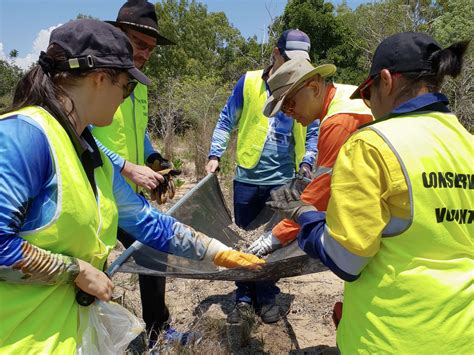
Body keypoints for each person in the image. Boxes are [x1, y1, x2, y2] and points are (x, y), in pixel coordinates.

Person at [0, 19, 263, 354]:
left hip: (65, 335)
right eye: (125, 86)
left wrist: (216, 251)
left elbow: (147, 221)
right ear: (99, 79)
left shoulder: (88, 150)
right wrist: (73, 270)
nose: (126, 97)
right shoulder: (23, 138)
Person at [266, 32, 472, 353]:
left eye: (368, 92)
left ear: (386, 81)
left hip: (389, 337)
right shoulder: (467, 145)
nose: (368, 104)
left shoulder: (372, 144)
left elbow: (345, 259)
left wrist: (303, 215)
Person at [206, 29, 318, 324]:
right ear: (276, 53)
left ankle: (267, 293)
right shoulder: (250, 82)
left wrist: (307, 163)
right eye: (289, 59)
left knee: (273, 240)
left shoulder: (304, 85)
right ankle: (243, 293)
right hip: (246, 177)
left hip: (283, 180)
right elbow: (226, 118)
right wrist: (214, 155)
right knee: (244, 238)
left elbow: (313, 132)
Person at [91, 0, 179, 343]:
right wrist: (127, 167)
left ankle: (157, 331)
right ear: (116, 35)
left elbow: (136, 129)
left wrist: (153, 158)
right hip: (95, 188)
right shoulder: (94, 75)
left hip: (124, 192)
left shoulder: (138, 83)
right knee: (91, 267)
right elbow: (81, 134)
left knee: (155, 247)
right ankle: (96, 337)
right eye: (138, 43)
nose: (144, 54)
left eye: (151, 48)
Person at [248, 58, 373, 261]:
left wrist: (275, 236)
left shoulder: (338, 121)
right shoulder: (343, 96)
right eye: (284, 109)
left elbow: (323, 191)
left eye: (289, 104)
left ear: (314, 87)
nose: (289, 114)